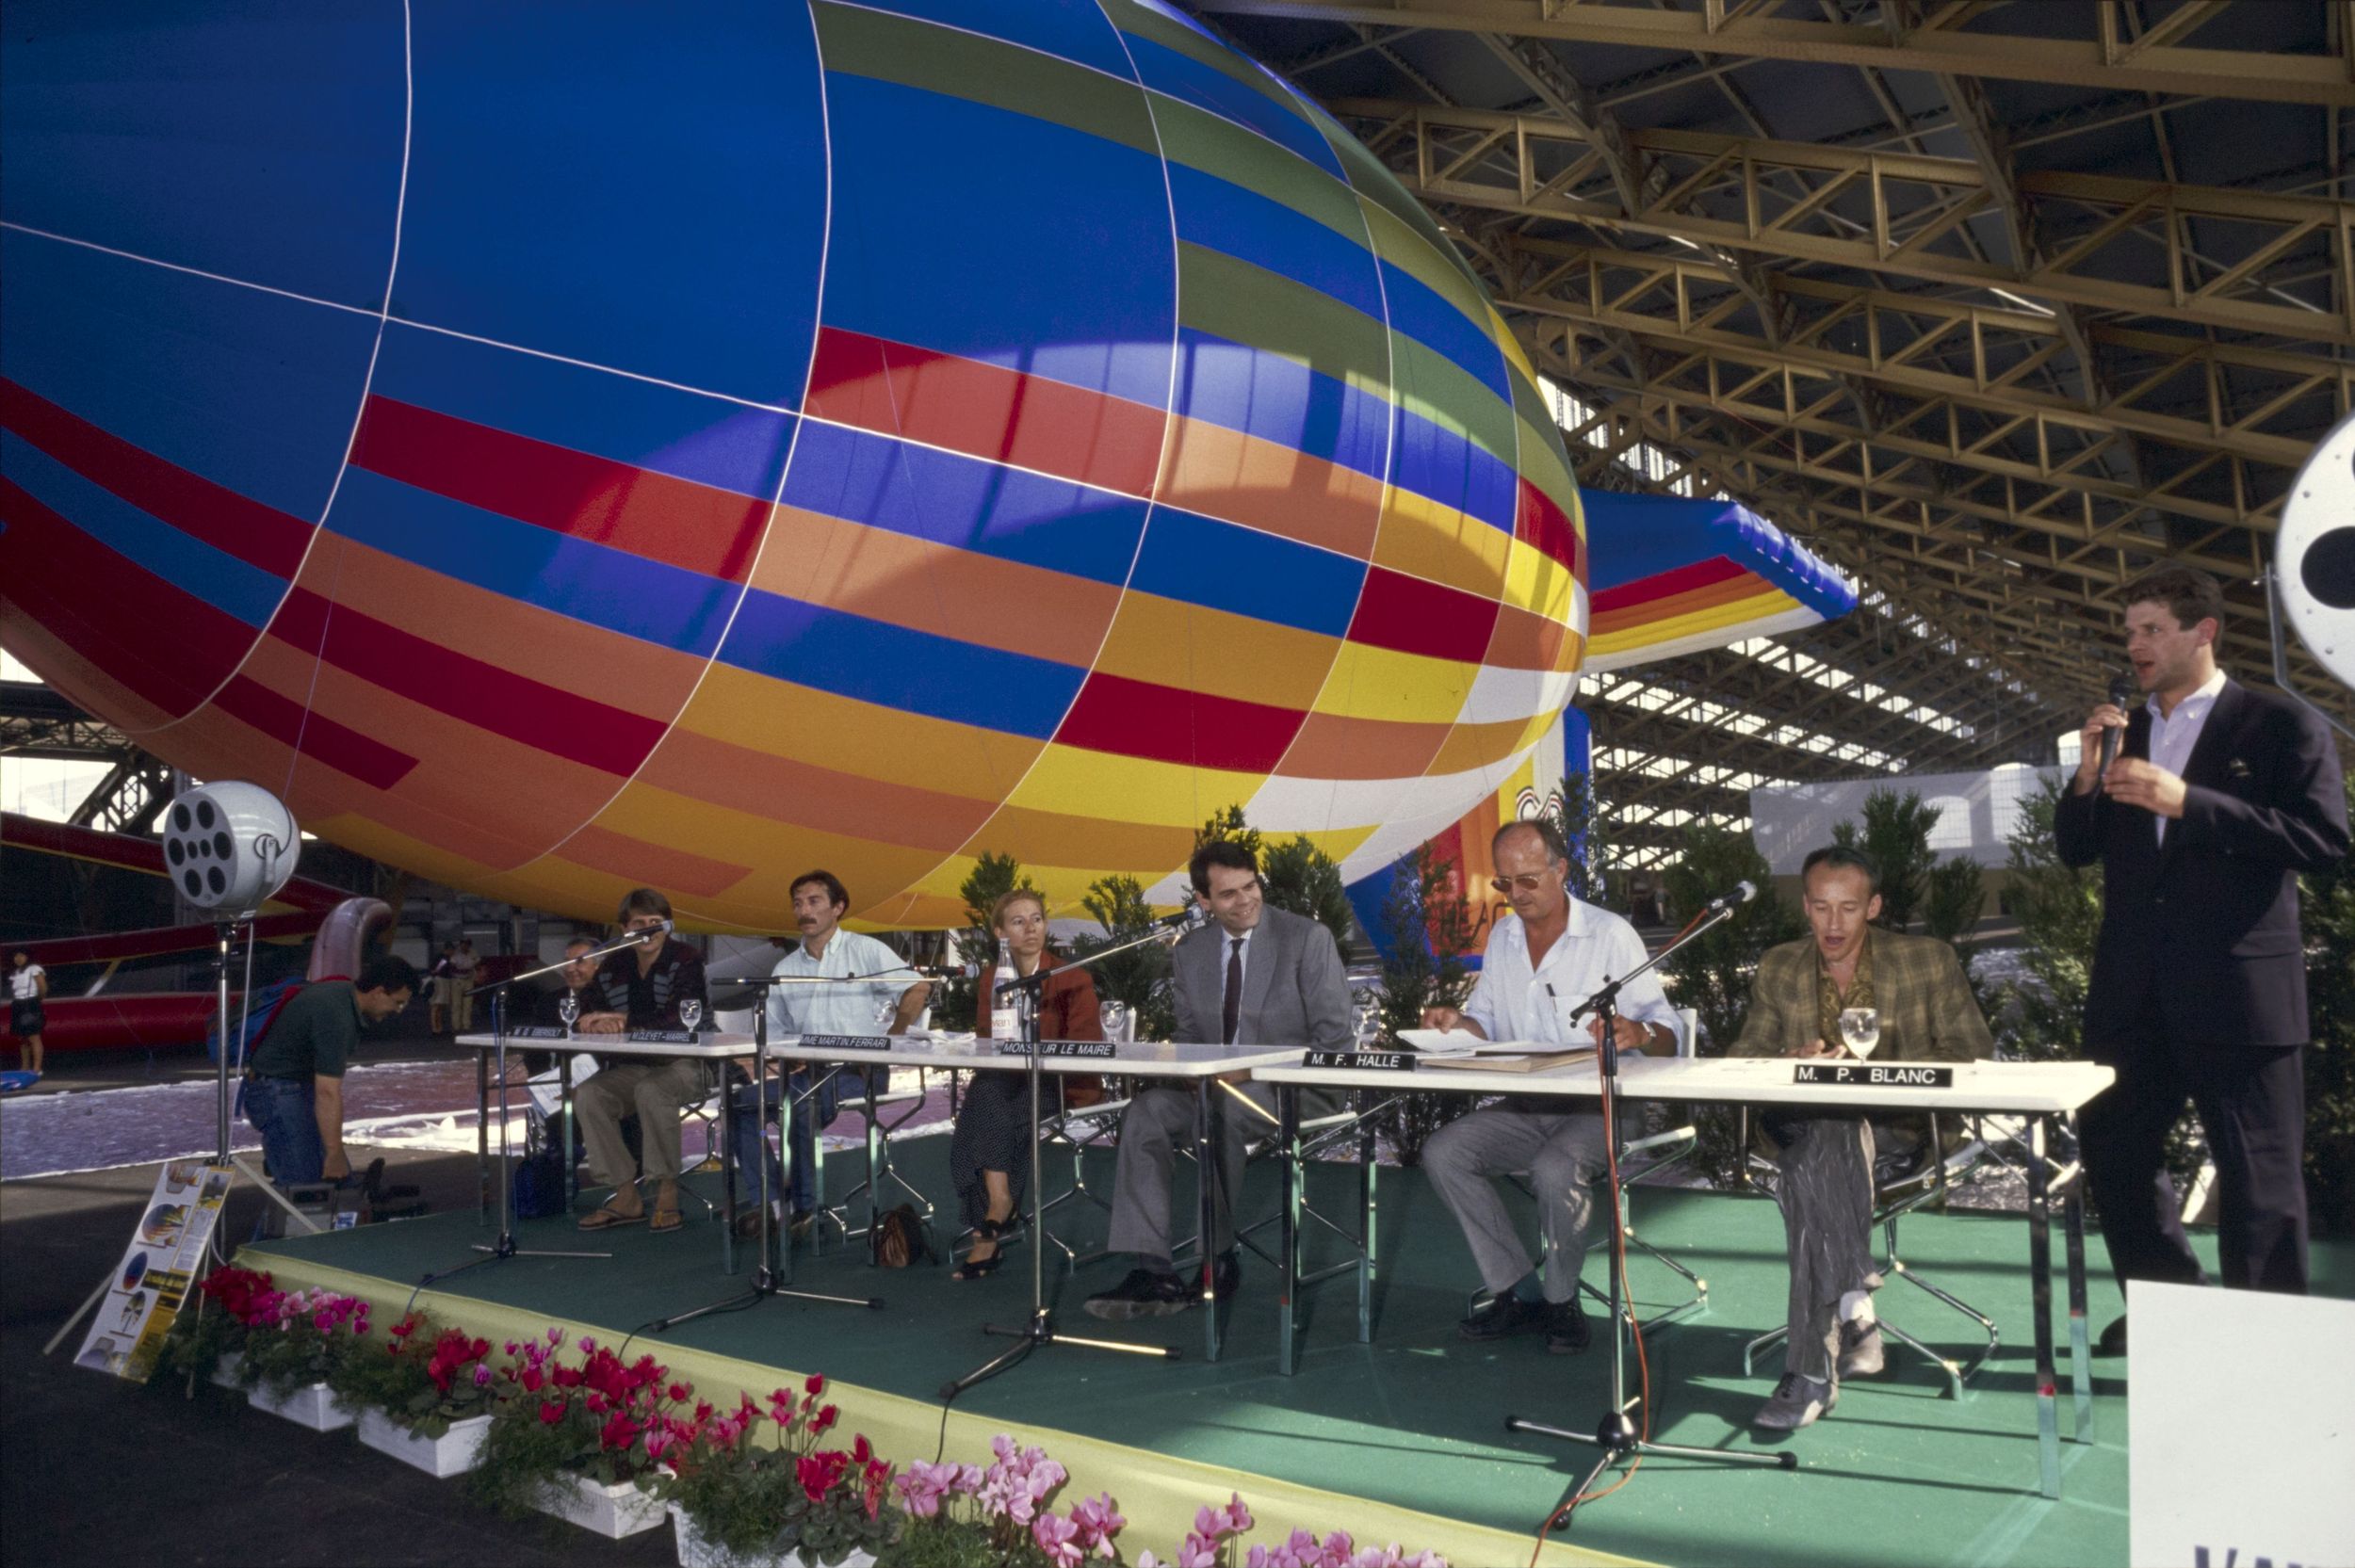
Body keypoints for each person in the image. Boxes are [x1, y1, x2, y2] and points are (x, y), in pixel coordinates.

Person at [2055, 565, 2348, 1351]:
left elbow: (2326, 842)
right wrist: (2085, 779)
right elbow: (2076, 850)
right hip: (2130, 997)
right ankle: (2171, 1312)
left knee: (2260, 1184)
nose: (2134, 644)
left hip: (2241, 995)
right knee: (2115, 1160)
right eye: (2129, 631)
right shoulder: (2124, 731)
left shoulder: (2283, 727)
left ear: (2203, 632)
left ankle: (2265, 1344)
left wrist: (2190, 802)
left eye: (2150, 628)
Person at [1730, 846, 1993, 1431]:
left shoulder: (1927, 960)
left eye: (1848, 908)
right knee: (1823, 1134)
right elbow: (1743, 1056)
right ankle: (1853, 1308)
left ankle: (1811, 1370)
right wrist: (1789, 1059)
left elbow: (1973, 1051)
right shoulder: (1778, 965)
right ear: (1805, 906)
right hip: (1798, 1125)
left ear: (1873, 906)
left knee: (1817, 1159)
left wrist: (1878, 1073)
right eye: (1820, 908)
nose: (1833, 923)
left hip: (1902, 1129)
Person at [1416, 818, 1682, 1355]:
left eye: (1529, 881)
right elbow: (1485, 1021)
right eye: (1505, 884)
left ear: (1562, 870)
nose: (1516, 895)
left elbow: (1669, 1030)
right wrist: (1455, 1023)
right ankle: (1516, 1291)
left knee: (1555, 1167)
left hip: (1599, 1109)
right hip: (1523, 1105)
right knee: (1444, 1152)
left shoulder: (1609, 934)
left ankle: (1562, 1302)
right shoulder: (1504, 938)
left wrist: (1639, 1031)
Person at [1083, 841, 1352, 1319]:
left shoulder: (1307, 939)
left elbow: (1334, 1045)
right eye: (1228, 894)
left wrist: (1245, 1071)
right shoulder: (1190, 952)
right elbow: (1190, 1037)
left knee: (1222, 1107)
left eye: (1251, 886)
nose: (1245, 899)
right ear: (1204, 901)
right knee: (1143, 1113)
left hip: (1298, 1089)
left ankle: (1217, 1259)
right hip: (1215, 1089)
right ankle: (1153, 1268)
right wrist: (1181, 1069)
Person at [726, 871, 930, 1239]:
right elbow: (773, 1034)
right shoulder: (785, 970)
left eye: (814, 901)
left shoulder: (865, 950)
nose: (804, 910)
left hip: (859, 1071)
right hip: (807, 1073)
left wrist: (895, 1033)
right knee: (740, 1103)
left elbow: (917, 986)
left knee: (800, 1105)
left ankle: (807, 1208)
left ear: (838, 908)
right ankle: (773, 1205)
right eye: (798, 903)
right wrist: (781, 1058)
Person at [951, 888, 1101, 1280]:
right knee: (987, 1096)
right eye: (1018, 921)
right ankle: (1000, 1203)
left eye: (1037, 919)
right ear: (1001, 932)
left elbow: (1086, 1047)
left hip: (1058, 1083)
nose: (1031, 928)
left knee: (987, 1112)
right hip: (1006, 1081)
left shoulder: (1072, 977)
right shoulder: (992, 979)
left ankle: (988, 1234)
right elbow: (988, 1039)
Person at [574, 890, 710, 1234]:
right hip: (638, 1065)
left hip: (690, 1061)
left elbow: (679, 1019)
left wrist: (621, 1020)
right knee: (589, 1095)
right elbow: (588, 1004)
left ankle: (667, 1190)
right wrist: (592, 1019)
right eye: (639, 924)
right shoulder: (613, 965)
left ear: (668, 925)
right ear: (624, 929)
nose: (649, 930)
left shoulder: (687, 958)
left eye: (656, 923)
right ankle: (625, 1194)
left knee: (652, 1090)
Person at [241, 955, 418, 1187]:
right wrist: (334, 1155)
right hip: (277, 1090)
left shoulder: (342, 992)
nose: (399, 1011)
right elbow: (327, 1092)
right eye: (398, 1002)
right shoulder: (337, 1018)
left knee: (320, 1182)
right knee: (304, 1188)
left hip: (284, 1085)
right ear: (378, 992)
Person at [9, 949, 48, 1075]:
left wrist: (37, 1000)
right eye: (16, 956)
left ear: (27, 957)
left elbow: (42, 987)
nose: (18, 958)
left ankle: (37, 1068)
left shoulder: (34, 968)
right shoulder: (16, 972)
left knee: (34, 1037)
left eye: (21, 955)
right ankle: (25, 1067)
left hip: (31, 1003)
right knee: (22, 1037)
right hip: (18, 1004)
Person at [448, 938, 479, 1034]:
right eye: (463, 944)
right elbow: (452, 967)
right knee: (456, 1004)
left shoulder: (473, 953)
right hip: (457, 980)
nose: (464, 946)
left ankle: (466, 1025)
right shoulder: (455, 954)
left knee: (468, 1004)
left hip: (469, 980)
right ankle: (456, 1026)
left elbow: (477, 961)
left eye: (466, 945)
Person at [427, 943, 455, 1035]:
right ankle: (435, 1027)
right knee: (436, 1005)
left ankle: (438, 1027)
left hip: (443, 980)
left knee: (440, 1006)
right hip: (440, 981)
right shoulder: (443, 959)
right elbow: (437, 969)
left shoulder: (443, 958)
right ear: (448, 950)